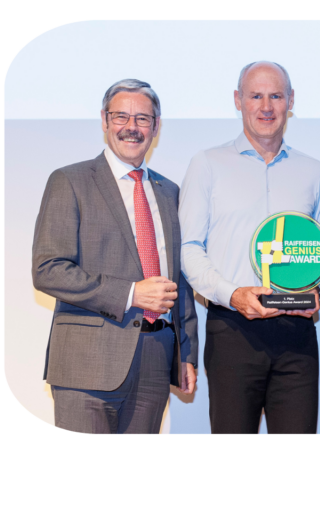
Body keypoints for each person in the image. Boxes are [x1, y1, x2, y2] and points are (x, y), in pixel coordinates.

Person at [33, 79, 197, 433]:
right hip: (86, 362)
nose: (131, 128)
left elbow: (179, 280)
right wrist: (131, 294)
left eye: (142, 118)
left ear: (156, 126)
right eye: (121, 117)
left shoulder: (170, 192)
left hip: (155, 360)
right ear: (105, 121)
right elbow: (48, 269)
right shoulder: (70, 181)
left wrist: (186, 353)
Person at [180, 61, 320, 434]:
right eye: (255, 96)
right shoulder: (208, 164)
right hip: (233, 331)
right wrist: (233, 295)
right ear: (238, 101)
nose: (266, 106)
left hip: (297, 336)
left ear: (291, 101)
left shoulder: (313, 171)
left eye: (276, 96)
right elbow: (190, 248)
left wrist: (317, 293)